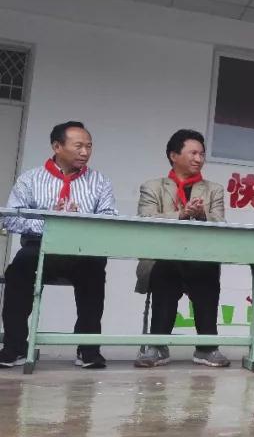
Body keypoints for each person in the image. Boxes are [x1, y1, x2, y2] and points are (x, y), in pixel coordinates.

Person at [1, 121, 118, 369]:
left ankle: (88, 350)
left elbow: (109, 219)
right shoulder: (30, 179)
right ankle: (14, 347)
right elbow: (11, 218)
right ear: (57, 146)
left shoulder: (100, 181)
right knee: (19, 269)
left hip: (81, 248)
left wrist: (79, 221)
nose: (85, 152)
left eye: (89, 146)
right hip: (39, 246)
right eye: (78, 146)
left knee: (95, 269)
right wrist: (50, 222)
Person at [133, 129, 229, 368]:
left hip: (199, 258)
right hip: (162, 258)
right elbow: (146, 219)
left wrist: (203, 215)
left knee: (206, 270)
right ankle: (157, 346)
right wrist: (181, 214)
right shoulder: (152, 187)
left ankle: (207, 347)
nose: (199, 159)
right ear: (174, 155)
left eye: (202, 154)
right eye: (193, 153)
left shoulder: (213, 189)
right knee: (166, 270)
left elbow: (221, 224)